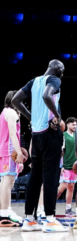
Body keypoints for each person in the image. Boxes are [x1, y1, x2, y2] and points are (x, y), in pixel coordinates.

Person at [12, 59, 68, 232]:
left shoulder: (34, 81)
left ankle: (29, 219)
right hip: (50, 134)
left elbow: (15, 100)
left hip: (36, 135)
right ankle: (50, 219)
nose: (63, 74)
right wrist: (57, 116)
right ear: (57, 70)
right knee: (51, 176)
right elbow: (46, 95)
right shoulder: (54, 80)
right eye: (63, 71)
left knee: (35, 177)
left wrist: (31, 117)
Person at [0, 91, 24, 227]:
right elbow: (13, 135)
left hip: (3, 150)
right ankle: (4, 216)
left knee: (4, 182)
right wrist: (19, 152)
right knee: (8, 182)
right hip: (9, 150)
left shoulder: (4, 112)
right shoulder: (12, 113)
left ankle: (5, 211)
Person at [57, 117, 77, 216]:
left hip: (74, 167)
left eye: (76, 124)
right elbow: (61, 152)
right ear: (67, 124)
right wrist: (61, 166)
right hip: (65, 166)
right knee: (62, 187)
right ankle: (48, 206)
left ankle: (68, 209)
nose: (75, 126)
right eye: (73, 124)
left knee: (71, 188)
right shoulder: (64, 135)